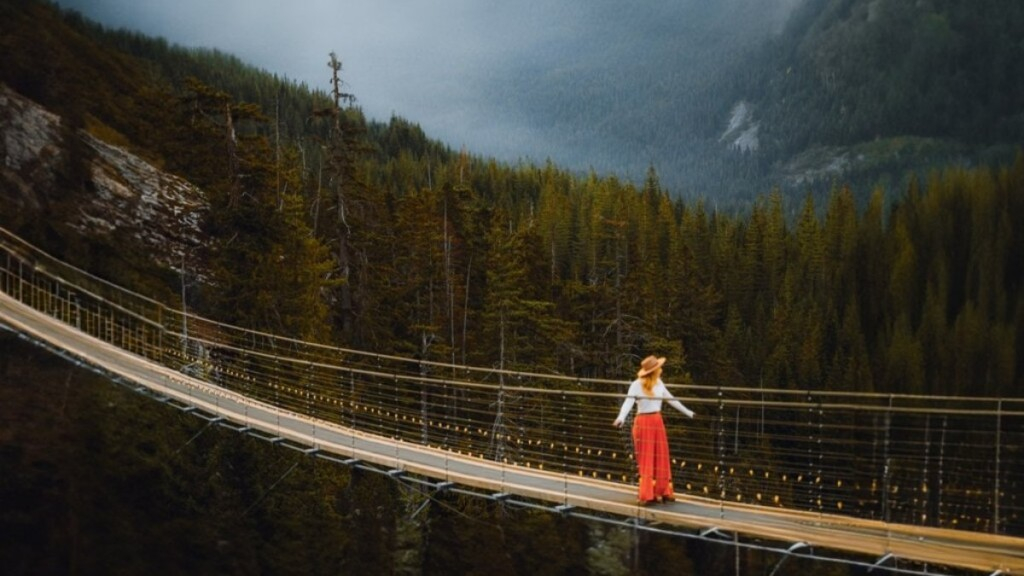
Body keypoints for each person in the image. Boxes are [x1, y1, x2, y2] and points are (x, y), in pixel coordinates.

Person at [613, 355, 695, 505]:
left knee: (661, 455)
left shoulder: (659, 383)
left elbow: (671, 399)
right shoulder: (636, 385)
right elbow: (628, 402)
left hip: (657, 421)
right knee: (647, 458)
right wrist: (621, 418)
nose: (660, 370)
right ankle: (647, 494)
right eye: (658, 368)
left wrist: (688, 412)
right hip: (643, 422)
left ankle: (663, 491)